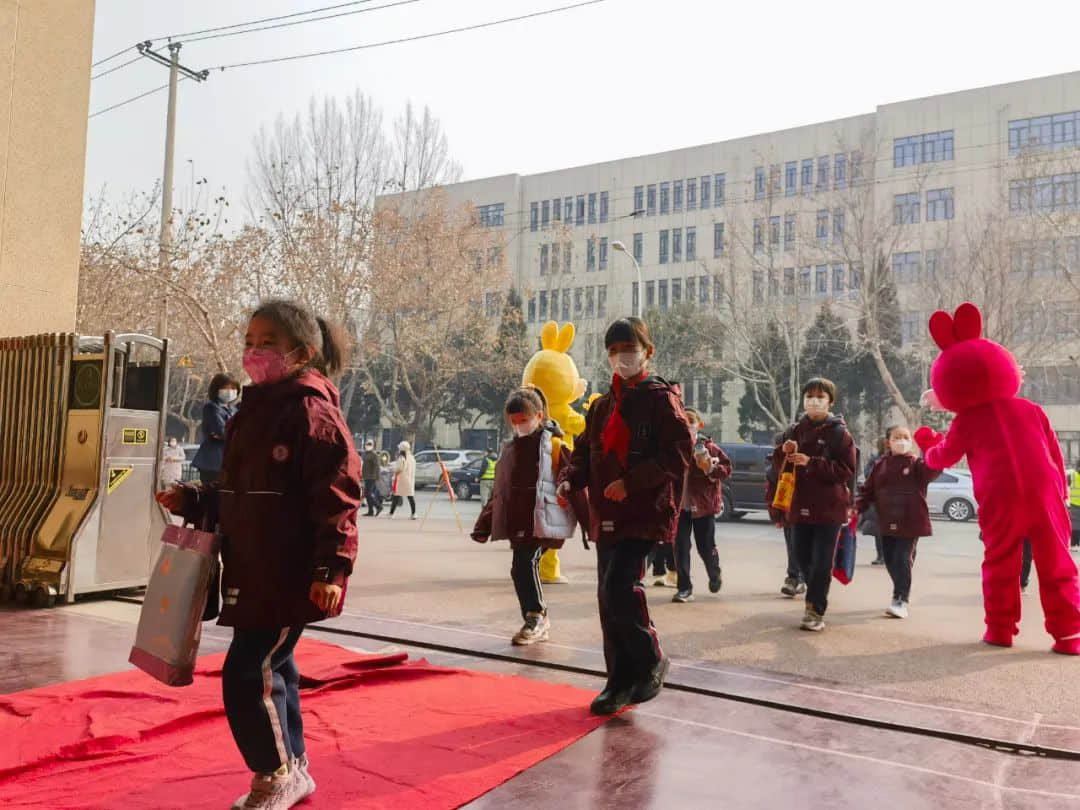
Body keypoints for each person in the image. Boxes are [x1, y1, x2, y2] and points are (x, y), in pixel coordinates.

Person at [157, 298, 361, 810]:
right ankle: (294, 766)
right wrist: (195, 500)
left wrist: (330, 568)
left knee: (248, 674)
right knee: (276, 669)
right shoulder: (251, 410)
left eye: (266, 344)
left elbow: (338, 498)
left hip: (291, 573)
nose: (253, 352)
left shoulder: (314, 413)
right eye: (249, 342)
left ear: (303, 352)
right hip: (252, 568)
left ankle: (274, 773)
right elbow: (240, 492)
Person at [558, 317, 691, 715]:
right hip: (607, 512)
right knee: (607, 597)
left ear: (647, 352)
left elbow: (678, 452)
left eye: (628, 350)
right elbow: (584, 451)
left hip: (643, 511)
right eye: (614, 352)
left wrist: (632, 482)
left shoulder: (660, 398)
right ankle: (618, 680)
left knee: (620, 585)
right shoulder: (603, 405)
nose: (621, 359)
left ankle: (651, 659)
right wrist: (570, 479)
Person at [471, 387, 585, 645]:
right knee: (518, 568)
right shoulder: (510, 450)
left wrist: (592, 524)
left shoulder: (554, 446)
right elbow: (500, 492)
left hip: (543, 521)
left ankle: (536, 616)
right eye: (514, 422)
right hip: (519, 521)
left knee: (525, 563)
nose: (520, 426)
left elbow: (577, 483)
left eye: (524, 420)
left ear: (539, 416)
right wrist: (484, 524)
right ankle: (534, 617)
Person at [766, 377, 857, 632]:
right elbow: (776, 465)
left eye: (820, 397)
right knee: (801, 558)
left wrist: (811, 462)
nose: (814, 401)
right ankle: (810, 585)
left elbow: (846, 470)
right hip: (799, 506)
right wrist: (784, 451)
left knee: (821, 563)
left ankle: (815, 610)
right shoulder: (794, 430)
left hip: (829, 509)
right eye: (809, 397)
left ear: (830, 402)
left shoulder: (840, 434)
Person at [856, 425, 940, 618]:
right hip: (886, 521)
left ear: (911, 441)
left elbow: (931, 472)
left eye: (905, 437)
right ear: (889, 442)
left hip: (911, 522)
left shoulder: (916, 464)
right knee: (891, 560)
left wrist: (931, 452)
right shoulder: (880, 465)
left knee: (902, 558)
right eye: (897, 437)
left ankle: (900, 599)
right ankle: (901, 588)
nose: (901, 441)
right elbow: (867, 491)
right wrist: (856, 508)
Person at [672, 408, 732, 603]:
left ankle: (714, 574)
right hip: (679, 507)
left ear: (699, 424)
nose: (686, 423)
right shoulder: (673, 447)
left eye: (691, 420)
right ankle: (684, 588)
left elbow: (726, 469)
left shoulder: (708, 447)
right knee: (680, 546)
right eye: (682, 420)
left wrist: (710, 467)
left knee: (705, 546)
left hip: (703, 507)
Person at [767, 432, 805, 598]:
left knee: (804, 548)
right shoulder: (773, 470)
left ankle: (801, 578)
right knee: (792, 546)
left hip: (806, 513)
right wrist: (776, 516)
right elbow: (771, 494)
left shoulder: (803, 463)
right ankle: (793, 578)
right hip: (788, 514)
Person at [190, 373, 240, 484]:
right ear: (216, 389)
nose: (230, 391)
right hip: (213, 461)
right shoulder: (211, 407)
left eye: (233, 388)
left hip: (229, 461)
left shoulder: (235, 410)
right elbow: (222, 431)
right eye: (225, 388)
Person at [863, 438, 888, 565]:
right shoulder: (875, 459)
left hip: (891, 500)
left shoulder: (894, 458)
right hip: (878, 499)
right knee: (878, 531)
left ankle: (889, 557)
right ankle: (880, 556)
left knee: (891, 531)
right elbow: (867, 473)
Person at [389, 441, 416, 519]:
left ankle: (391, 513)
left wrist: (394, 472)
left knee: (396, 496)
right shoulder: (412, 458)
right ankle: (414, 514)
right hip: (410, 480)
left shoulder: (401, 458)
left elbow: (399, 468)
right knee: (410, 497)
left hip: (401, 480)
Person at [361, 440, 383, 517]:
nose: (368, 445)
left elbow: (376, 467)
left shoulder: (374, 455)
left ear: (373, 445)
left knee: (368, 493)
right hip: (366, 476)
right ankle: (370, 511)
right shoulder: (364, 454)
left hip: (372, 477)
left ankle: (378, 506)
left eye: (370, 444)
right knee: (367, 494)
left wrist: (375, 476)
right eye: (367, 444)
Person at [1069, 461, 1080, 551]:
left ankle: (1074, 544)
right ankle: (1076, 544)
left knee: (1075, 524)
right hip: (1075, 503)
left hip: (1074, 502)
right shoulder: (1072, 475)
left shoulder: (1072, 475)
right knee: (1076, 524)